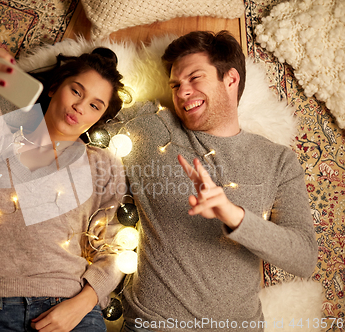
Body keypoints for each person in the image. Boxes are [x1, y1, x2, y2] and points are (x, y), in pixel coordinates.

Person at [117, 30, 317, 331]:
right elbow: (63, 106)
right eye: (175, 85)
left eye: (195, 78)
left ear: (231, 80)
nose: (182, 92)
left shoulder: (278, 161)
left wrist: (232, 215)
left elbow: (303, 257)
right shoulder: (151, 126)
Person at [0, 46, 128, 332]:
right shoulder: (1, 141)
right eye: (76, 91)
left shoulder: (102, 165)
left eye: (95, 105)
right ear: (54, 88)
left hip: (70, 308)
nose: (80, 106)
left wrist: (83, 303)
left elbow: (116, 246)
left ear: (100, 118)